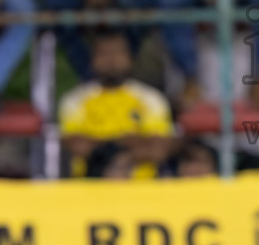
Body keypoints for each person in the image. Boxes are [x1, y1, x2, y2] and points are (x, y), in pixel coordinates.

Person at [57, 28, 176, 179]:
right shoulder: (75, 100)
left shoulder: (151, 98)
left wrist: (99, 143)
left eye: (117, 53)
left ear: (131, 58)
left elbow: (158, 150)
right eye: (104, 54)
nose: (111, 60)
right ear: (92, 59)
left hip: (143, 188)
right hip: (88, 187)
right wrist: (132, 142)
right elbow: (77, 146)